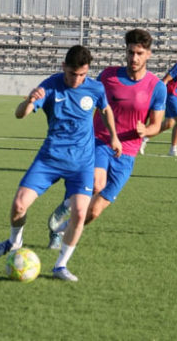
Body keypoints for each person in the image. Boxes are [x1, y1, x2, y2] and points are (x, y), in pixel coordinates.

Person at [0, 45, 122, 282]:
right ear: (63, 68)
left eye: (82, 74)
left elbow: (106, 110)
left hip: (82, 164)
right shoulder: (50, 85)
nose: (77, 79)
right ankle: (14, 242)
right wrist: (29, 100)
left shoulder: (95, 88)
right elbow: (20, 114)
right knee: (19, 205)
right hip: (50, 159)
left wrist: (114, 136)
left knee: (80, 213)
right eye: (72, 74)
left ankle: (60, 266)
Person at [46, 29, 167, 281]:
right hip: (100, 142)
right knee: (97, 183)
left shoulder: (156, 87)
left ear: (148, 55)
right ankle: (67, 205)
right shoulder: (109, 76)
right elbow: (91, 103)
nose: (134, 58)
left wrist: (147, 130)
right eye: (131, 52)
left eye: (139, 53)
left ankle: (61, 228)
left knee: (94, 211)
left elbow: (157, 124)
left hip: (128, 153)